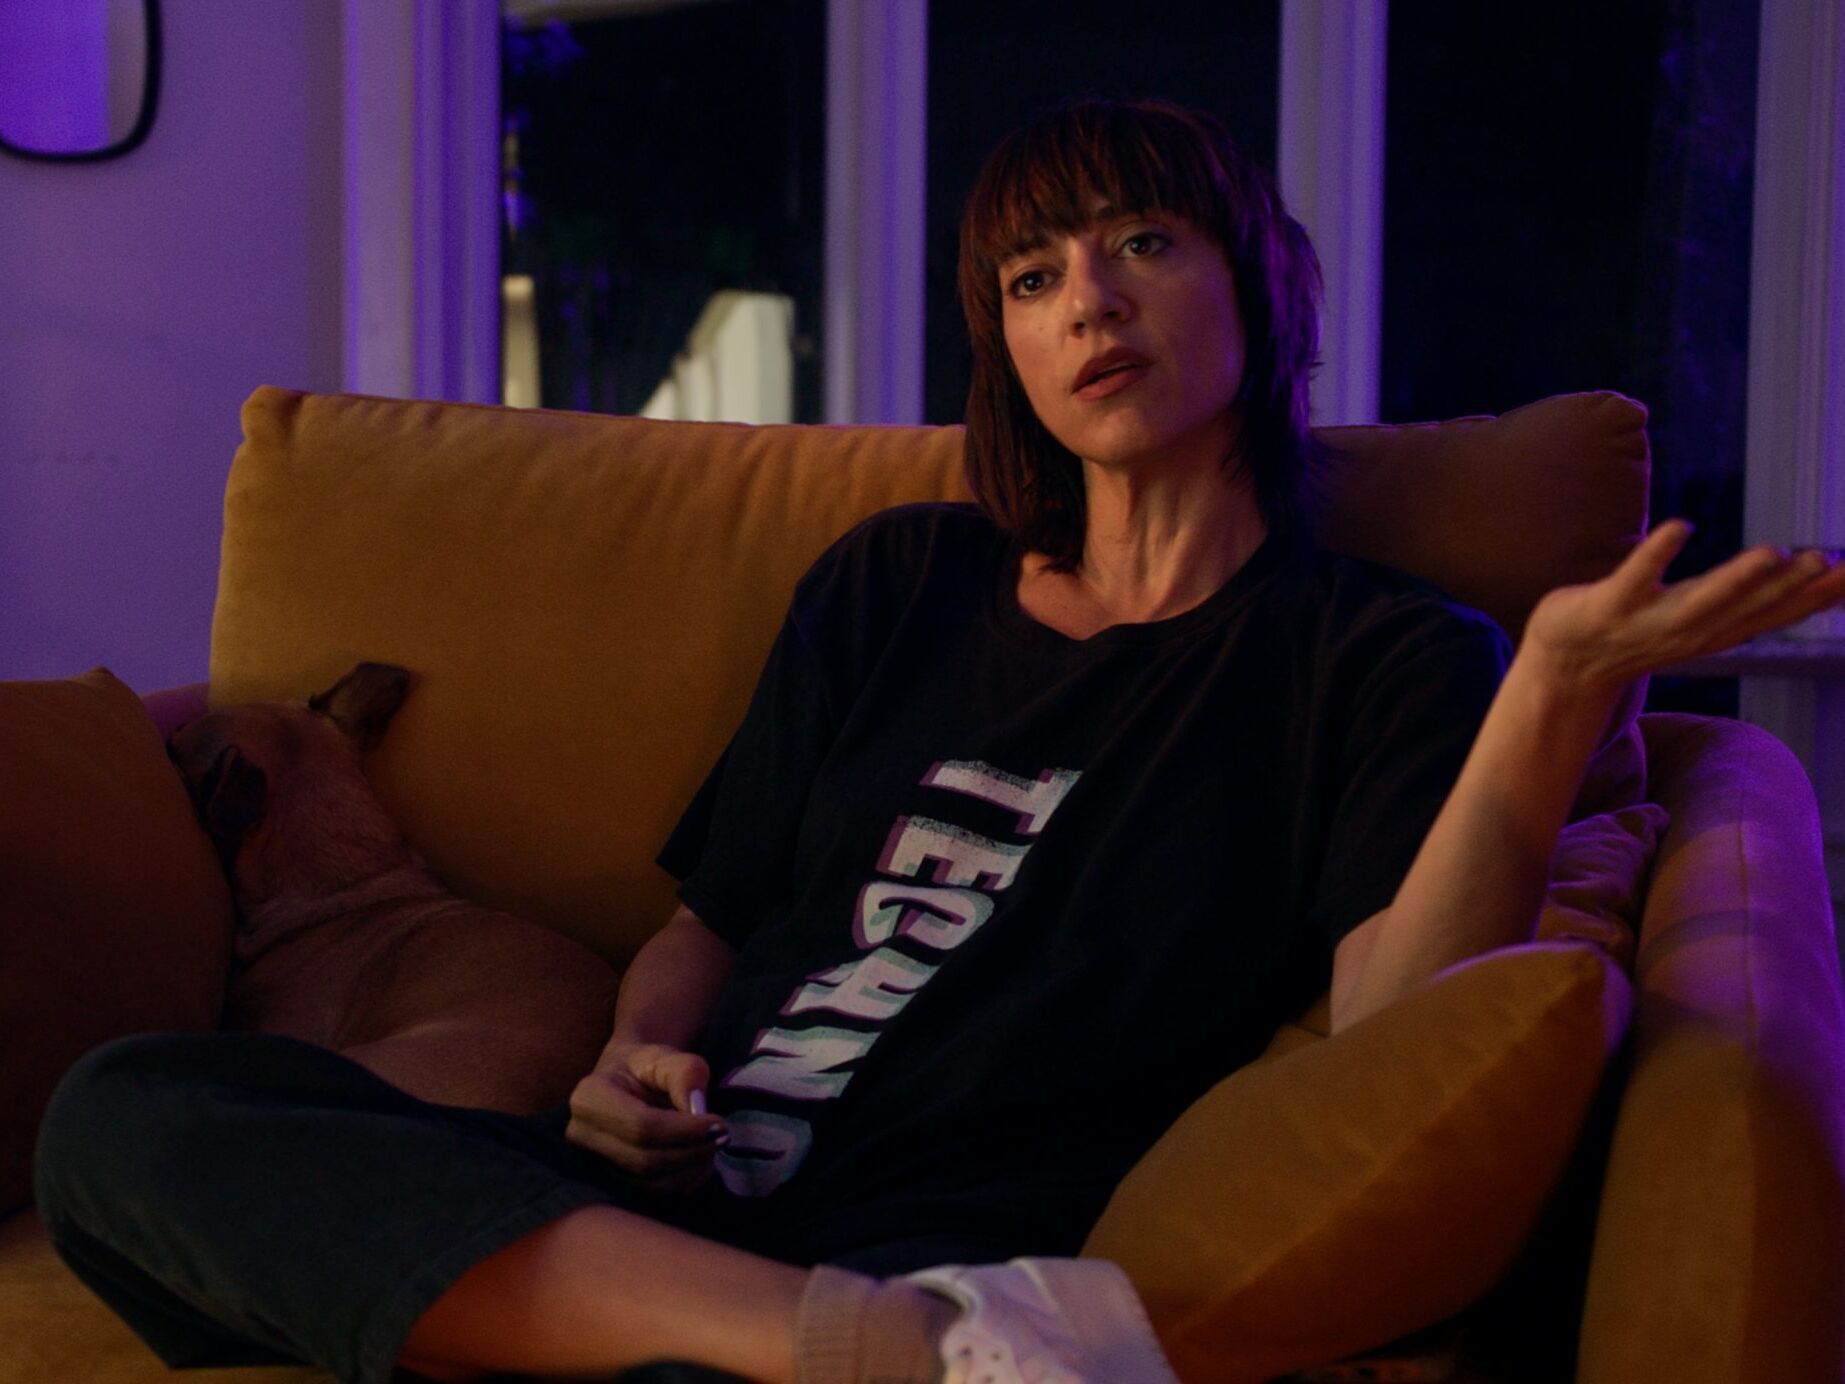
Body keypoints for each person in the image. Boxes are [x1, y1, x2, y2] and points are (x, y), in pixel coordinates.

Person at [33, 99, 1845, 1384]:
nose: (1089, 301)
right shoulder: (896, 579)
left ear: (1257, 286)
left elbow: (1395, 1025)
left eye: (1142, 243)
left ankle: (807, 1337)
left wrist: (1553, 693)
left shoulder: (1377, 660)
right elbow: (709, 920)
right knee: (129, 1114)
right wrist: (633, 1061)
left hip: (960, 1227)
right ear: (1006, 350)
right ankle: (884, 1362)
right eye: (1032, 277)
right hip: (663, 1221)